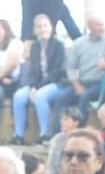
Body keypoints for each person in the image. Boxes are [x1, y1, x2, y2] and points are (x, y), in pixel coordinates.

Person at [15, 14, 70, 144]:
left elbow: (58, 71)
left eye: (45, 26)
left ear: (51, 28)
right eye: (39, 26)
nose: (42, 29)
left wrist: (38, 87)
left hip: (57, 84)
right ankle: (18, 135)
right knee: (18, 96)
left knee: (40, 96)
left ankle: (45, 134)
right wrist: (33, 86)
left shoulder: (58, 45)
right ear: (35, 30)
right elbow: (33, 71)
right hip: (39, 85)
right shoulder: (35, 46)